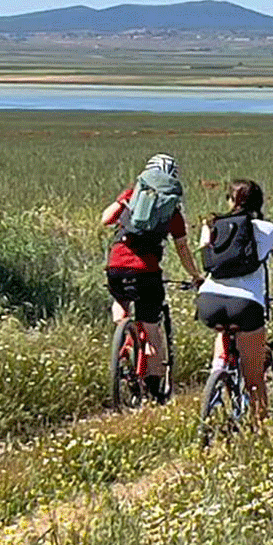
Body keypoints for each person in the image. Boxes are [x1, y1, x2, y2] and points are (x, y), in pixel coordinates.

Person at [196, 179, 273, 419]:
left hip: (208, 300)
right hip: (245, 305)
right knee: (254, 380)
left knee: (221, 329)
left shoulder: (212, 225)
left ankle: (217, 372)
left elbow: (206, 257)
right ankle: (260, 428)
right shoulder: (267, 230)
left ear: (231, 201)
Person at [102, 154, 203, 401]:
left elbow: (105, 219)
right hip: (147, 271)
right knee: (152, 330)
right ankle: (155, 387)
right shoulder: (173, 212)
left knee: (120, 300)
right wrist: (196, 276)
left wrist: (124, 205)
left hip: (116, 264)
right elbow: (182, 249)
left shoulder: (130, 196)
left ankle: (123, 338)